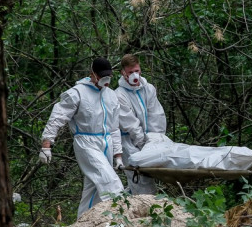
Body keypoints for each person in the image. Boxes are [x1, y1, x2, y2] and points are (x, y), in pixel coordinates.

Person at [39, 57, 125, 217]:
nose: (105, 80)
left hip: (107, 143)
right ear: (92, 74)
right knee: (110, 182)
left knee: (93, 188)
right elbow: (57, 117)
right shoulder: (77, 93)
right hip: (86, 143)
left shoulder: (111, 96)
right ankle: (118, 222)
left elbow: (114, 128)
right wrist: (46, 144)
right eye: (102, 76)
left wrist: (118, 155)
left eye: (108, 76)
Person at [114, 53, 167, 194]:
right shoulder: (119, 95)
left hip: (149, 140)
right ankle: (142, 209)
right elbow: (130, 124)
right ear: (123, 73)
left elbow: (156, 115)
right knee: (139, 179)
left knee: (146, 178)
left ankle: (125, 204)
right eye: (130, 72)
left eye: (136, 71)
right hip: (129, 143)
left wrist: (156, 141)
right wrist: (143, 145)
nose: (134, 75)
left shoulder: (148, 88)